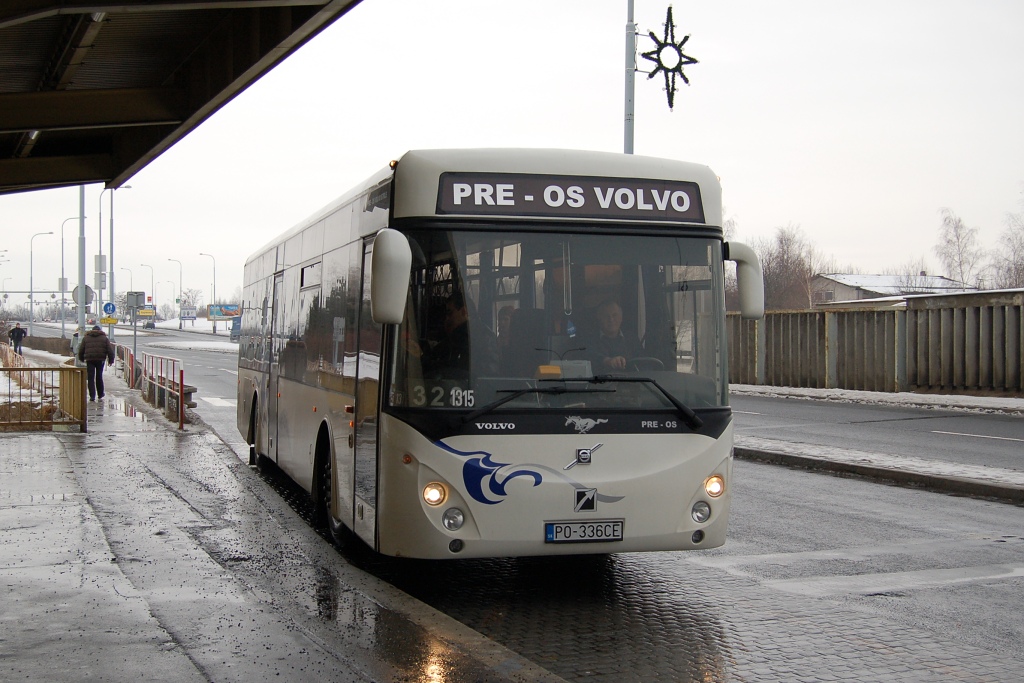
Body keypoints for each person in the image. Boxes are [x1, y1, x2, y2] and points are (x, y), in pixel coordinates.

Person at [587, 299, 642, 371]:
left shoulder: (632, 338)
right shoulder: (590, 340)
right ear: (599, 318)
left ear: (621, 317)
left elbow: (643, 362)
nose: (611, 319)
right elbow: (589, 357)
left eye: (615, 315)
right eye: (606, 316)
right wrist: (607, 361)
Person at [77, 324, 115, 401]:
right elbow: (110, 350)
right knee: (99, 376)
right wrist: (111, 360)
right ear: (100, 331)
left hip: (90, 359)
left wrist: (81, 358)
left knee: (90, 377)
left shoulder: (86, 338)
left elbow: (81, 350)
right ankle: (100, 394)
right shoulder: (104, 338)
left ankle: (92, 395)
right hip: (100, 359)